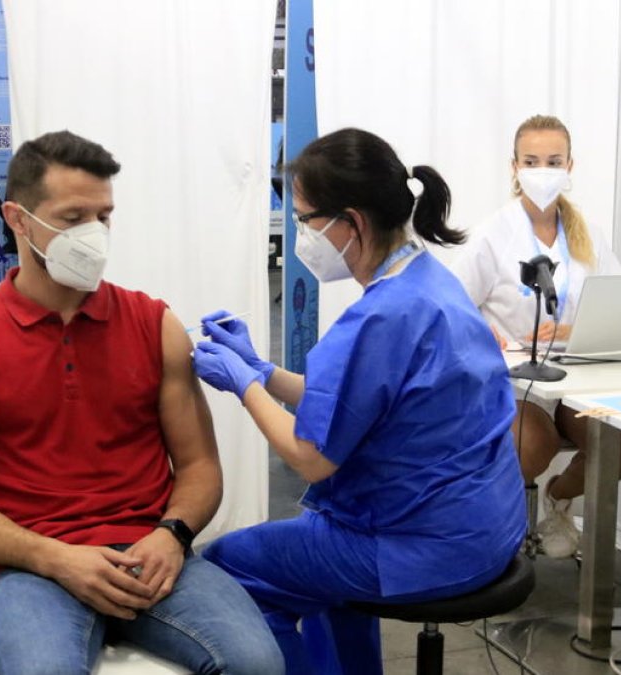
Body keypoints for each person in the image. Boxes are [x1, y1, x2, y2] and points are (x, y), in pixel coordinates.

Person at [0, 130, 284, 675]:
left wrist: (173, 534)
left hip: (149, 551)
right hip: (29, 567)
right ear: (18, 220)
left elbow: (201, 466)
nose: (93, 234)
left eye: (103, 217)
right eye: (72, 218)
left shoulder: (152, 324)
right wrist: (53, 557)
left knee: (257, 664)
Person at [191, 128, 526, 675]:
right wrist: (263, 371)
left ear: (353, 223)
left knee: (227, 569)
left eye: (304, 219)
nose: (301, 234)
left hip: (425, 547)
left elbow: (310, 458)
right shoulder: (428, 285)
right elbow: (353, 397)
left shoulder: (382, 316)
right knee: (314, 562)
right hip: (486, 527)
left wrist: (244, 387)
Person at [451, 114, 621, 559]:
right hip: (511, 384)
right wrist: (486, 335)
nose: (543, 170)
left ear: (570, 166)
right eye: (532, 160)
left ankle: (558, 500)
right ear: (514, 167)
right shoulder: (492, 235)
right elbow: (450, 307)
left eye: (553, 160)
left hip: (573, 379)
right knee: (531, 441)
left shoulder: (588, 235)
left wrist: (575, 329)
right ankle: (492, 541)